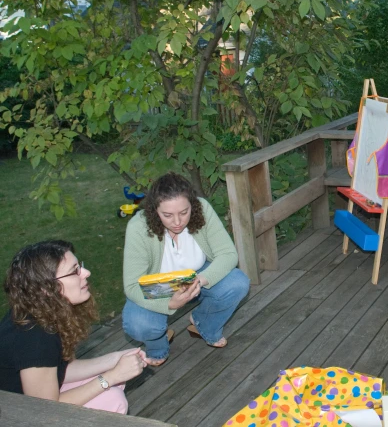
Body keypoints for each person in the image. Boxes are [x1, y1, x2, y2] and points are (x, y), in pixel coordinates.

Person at [0, 241, 145, 413]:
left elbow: (59, 370)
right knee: (111, 399)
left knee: (113, 383)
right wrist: (111, 377)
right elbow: (45, 409)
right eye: (74, 271)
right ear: (47, 288)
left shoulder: (40, 311)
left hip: (33, 399)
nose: (86, 273)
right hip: (16, 413)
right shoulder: (36, 337)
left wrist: (114, 360)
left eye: (79, 266)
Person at [122, 172, 250, 365]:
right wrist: (169, 304)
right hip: (158, 286)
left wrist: (199, 281)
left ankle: (203, 324)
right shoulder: (138, 227)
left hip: (197, 275)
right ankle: (158, 346)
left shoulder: (203, 209)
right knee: (138, 324)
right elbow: (132, 286)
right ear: (154, 210)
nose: (177, 222)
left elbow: (228, 254)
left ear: (193, 205)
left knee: (238, 282)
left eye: (184, 212)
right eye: (167, 215)